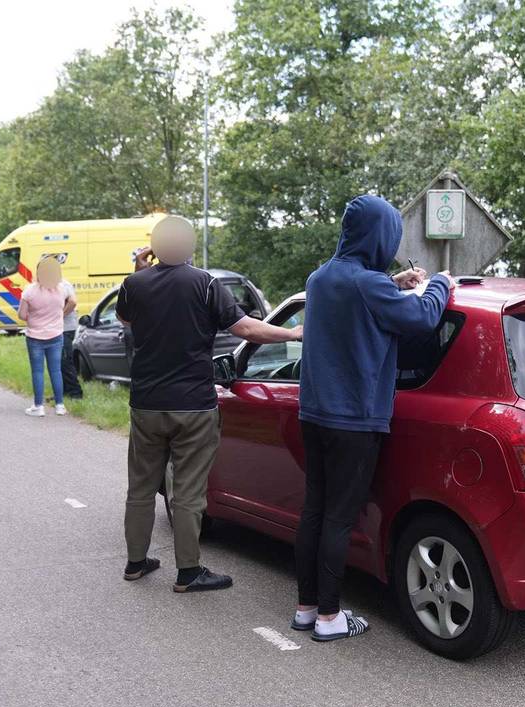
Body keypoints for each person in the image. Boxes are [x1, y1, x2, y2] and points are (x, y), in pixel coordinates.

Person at [293, 194, 453, 642]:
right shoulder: (369, 285)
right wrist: (439, 282)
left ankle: (306, 608)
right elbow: (423, 317)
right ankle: (330, 619)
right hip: (354, 418)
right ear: (381, 236)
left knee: (315, 510)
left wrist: (396, 281)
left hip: (315, 412)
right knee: (340, 518)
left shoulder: (321, 279)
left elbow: (362, 298)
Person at [118, 217, 302, 593]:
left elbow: (126, 315)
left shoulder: (134, 284)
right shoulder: (205, 284)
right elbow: (247, 330)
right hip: (194, 406)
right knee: (186, 491)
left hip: (147, 405)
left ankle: (136, 563)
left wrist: (140, 270)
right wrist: (293, 333)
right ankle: (188, 572)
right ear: (187, 246)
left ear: (154, 246)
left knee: (140, 487)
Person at [17, 255, 75, 417]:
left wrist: (34, 318)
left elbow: (21, 315)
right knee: (56, 370)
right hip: (56, 335)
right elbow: (70, 303)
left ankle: (38, 406)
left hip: (35, 336)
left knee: (38, 371)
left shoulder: (29, 291)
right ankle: (60, 405)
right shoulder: (61, 289)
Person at [59, 276, 84, 401]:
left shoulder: (62, 284)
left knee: (65, 361)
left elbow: (73, 302)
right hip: (59, 329)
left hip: (66, 328)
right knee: (60, 363)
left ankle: (75, 393)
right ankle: (64, 392)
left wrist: (60, 315)